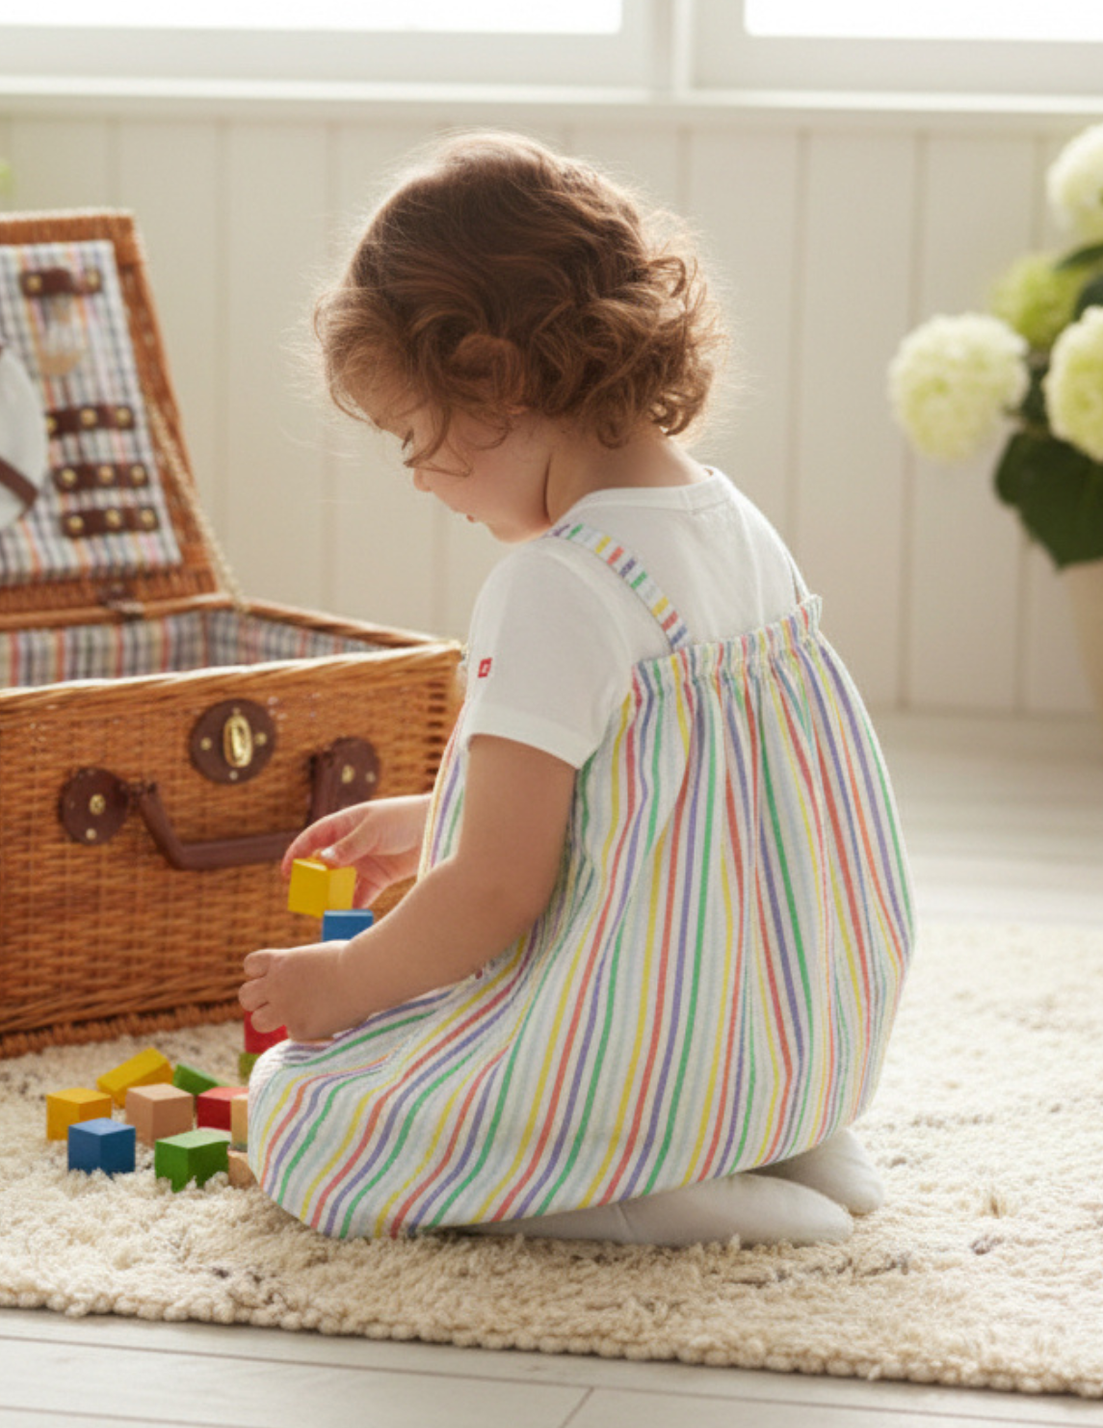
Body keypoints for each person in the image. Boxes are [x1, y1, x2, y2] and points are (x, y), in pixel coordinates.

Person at [238, 132, 914, 1246]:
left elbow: (500, 887)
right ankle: (789, 1136)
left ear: (493, 379)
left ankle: (672, 1196)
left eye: (413, 433)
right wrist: (431, 814)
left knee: (308, 1113)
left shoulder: (555, 583)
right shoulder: (731, 522)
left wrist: (348, 978)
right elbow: (670, 785)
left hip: (650, 1058)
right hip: (792, 1031)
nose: (413, 472)